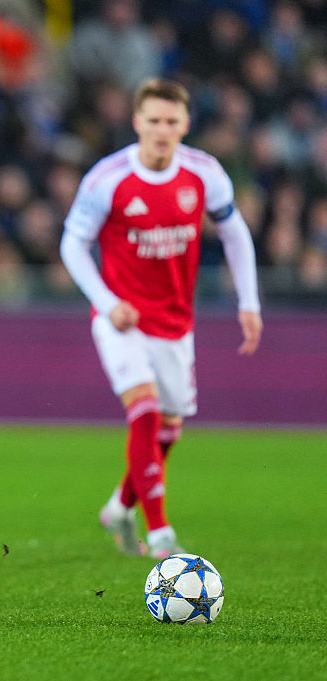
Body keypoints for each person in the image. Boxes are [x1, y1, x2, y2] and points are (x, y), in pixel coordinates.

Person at [60, 78, 262, 559]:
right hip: (121, 319)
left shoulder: (205, 173)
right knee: (146, 412)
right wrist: (108, 303)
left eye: (172, 122)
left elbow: (235, 233)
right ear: (137, 122)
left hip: (174, 321)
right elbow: (72, 244)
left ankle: (119, 506)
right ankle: (161, 532)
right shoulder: (106, 178)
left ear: (185, 124)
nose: (162, 130)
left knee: (167, 430)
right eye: (153, 120)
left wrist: (248, 302)